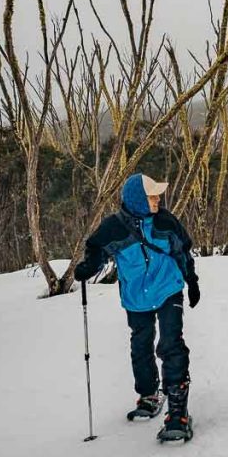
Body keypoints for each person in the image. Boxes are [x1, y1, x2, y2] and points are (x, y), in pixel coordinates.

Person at [74, 173, 201, 441]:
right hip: (136, 295)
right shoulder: (114, 227)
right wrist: (89, 266)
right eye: (152, 195)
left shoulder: (165, 222)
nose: (158, 199)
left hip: (168, 288)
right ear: (138, 199)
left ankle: (178, 412)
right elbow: (96, 248)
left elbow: (182, 251)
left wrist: (192, 280)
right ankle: (148, 394)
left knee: (171, 344)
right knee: (140, 344)